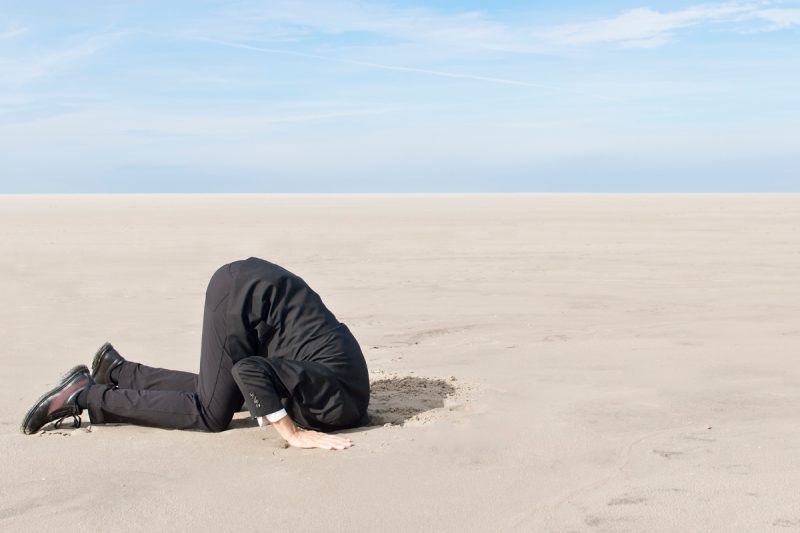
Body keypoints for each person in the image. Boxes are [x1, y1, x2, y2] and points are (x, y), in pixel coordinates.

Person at [20, 257, 370, 450]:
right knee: (211, 413)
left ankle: (118, 371)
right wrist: (293, 432)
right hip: (242, 298)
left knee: (228, 395)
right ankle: (85, 396)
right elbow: (249, 370)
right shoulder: (332, 400)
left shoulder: (341, 391)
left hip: (255, 291)